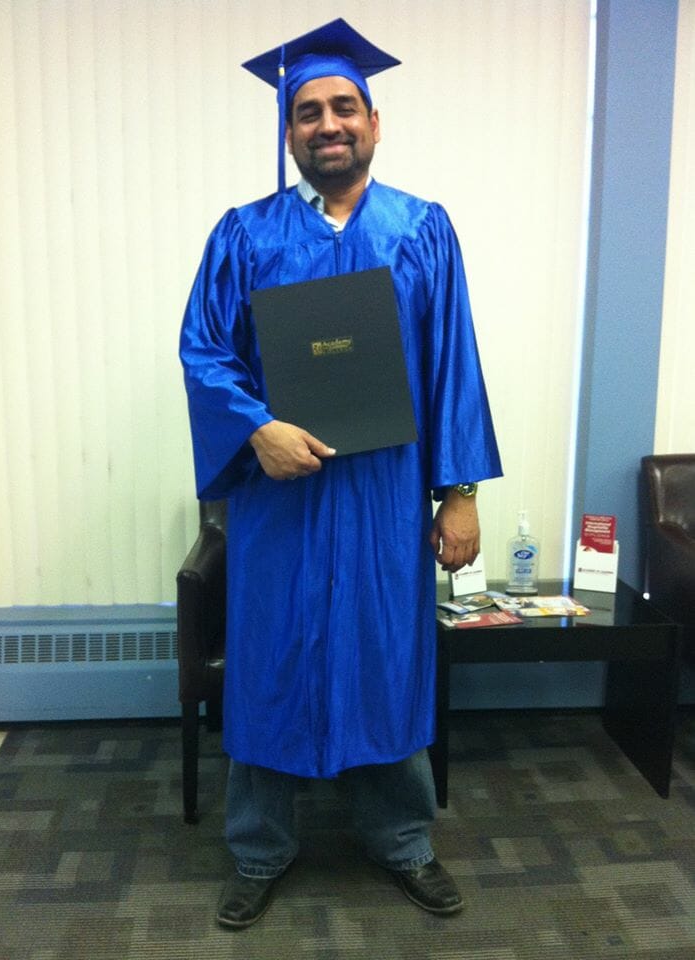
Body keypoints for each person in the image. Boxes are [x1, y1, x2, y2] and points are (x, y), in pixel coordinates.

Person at [180, 18, 502, 930]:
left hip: (382, 494)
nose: (328, 123)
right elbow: (204, 353)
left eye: (343, 107)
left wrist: (460, 493)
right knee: (269, 661)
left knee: (386, 658)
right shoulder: (244, 235)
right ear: (287, 131)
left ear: (373, 120)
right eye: (308, 110)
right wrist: (256, 431)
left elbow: (452, 363)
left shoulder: (422, 231)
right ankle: (257, 851)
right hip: (282, 497)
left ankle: (403, 841)